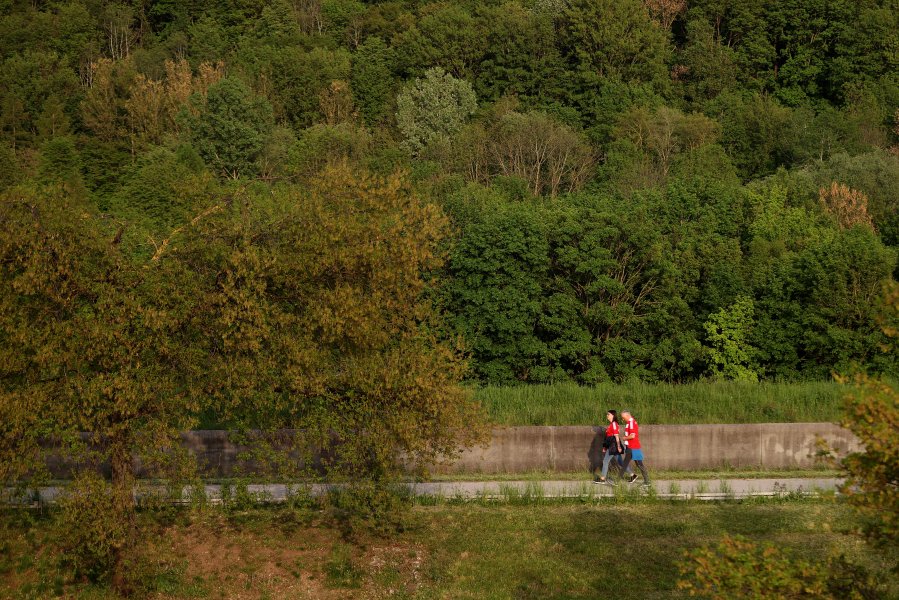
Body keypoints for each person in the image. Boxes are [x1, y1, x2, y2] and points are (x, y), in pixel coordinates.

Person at [620, 409, 650, 485]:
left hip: (633, 447)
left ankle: (617, 481)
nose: (622, 419)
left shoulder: (632, 423)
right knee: (639, 464)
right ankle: (647, 481)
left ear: (627, 415)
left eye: (623, 417)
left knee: (626, 464)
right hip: (631, 447)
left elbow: (632, 435)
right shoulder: (629, 422)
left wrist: (624, 438)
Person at [594, 409, 624, 485]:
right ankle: (632, 474)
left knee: (605, 461)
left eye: (608, 414)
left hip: (613, 446)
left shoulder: (614, 424)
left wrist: (618, 446)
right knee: (620, 462)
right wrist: (605, 447)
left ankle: (603, 478)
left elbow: (616, 436)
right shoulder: (612, 424)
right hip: (611, 446)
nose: (607, 415)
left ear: (613, 415)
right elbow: (608, 438)